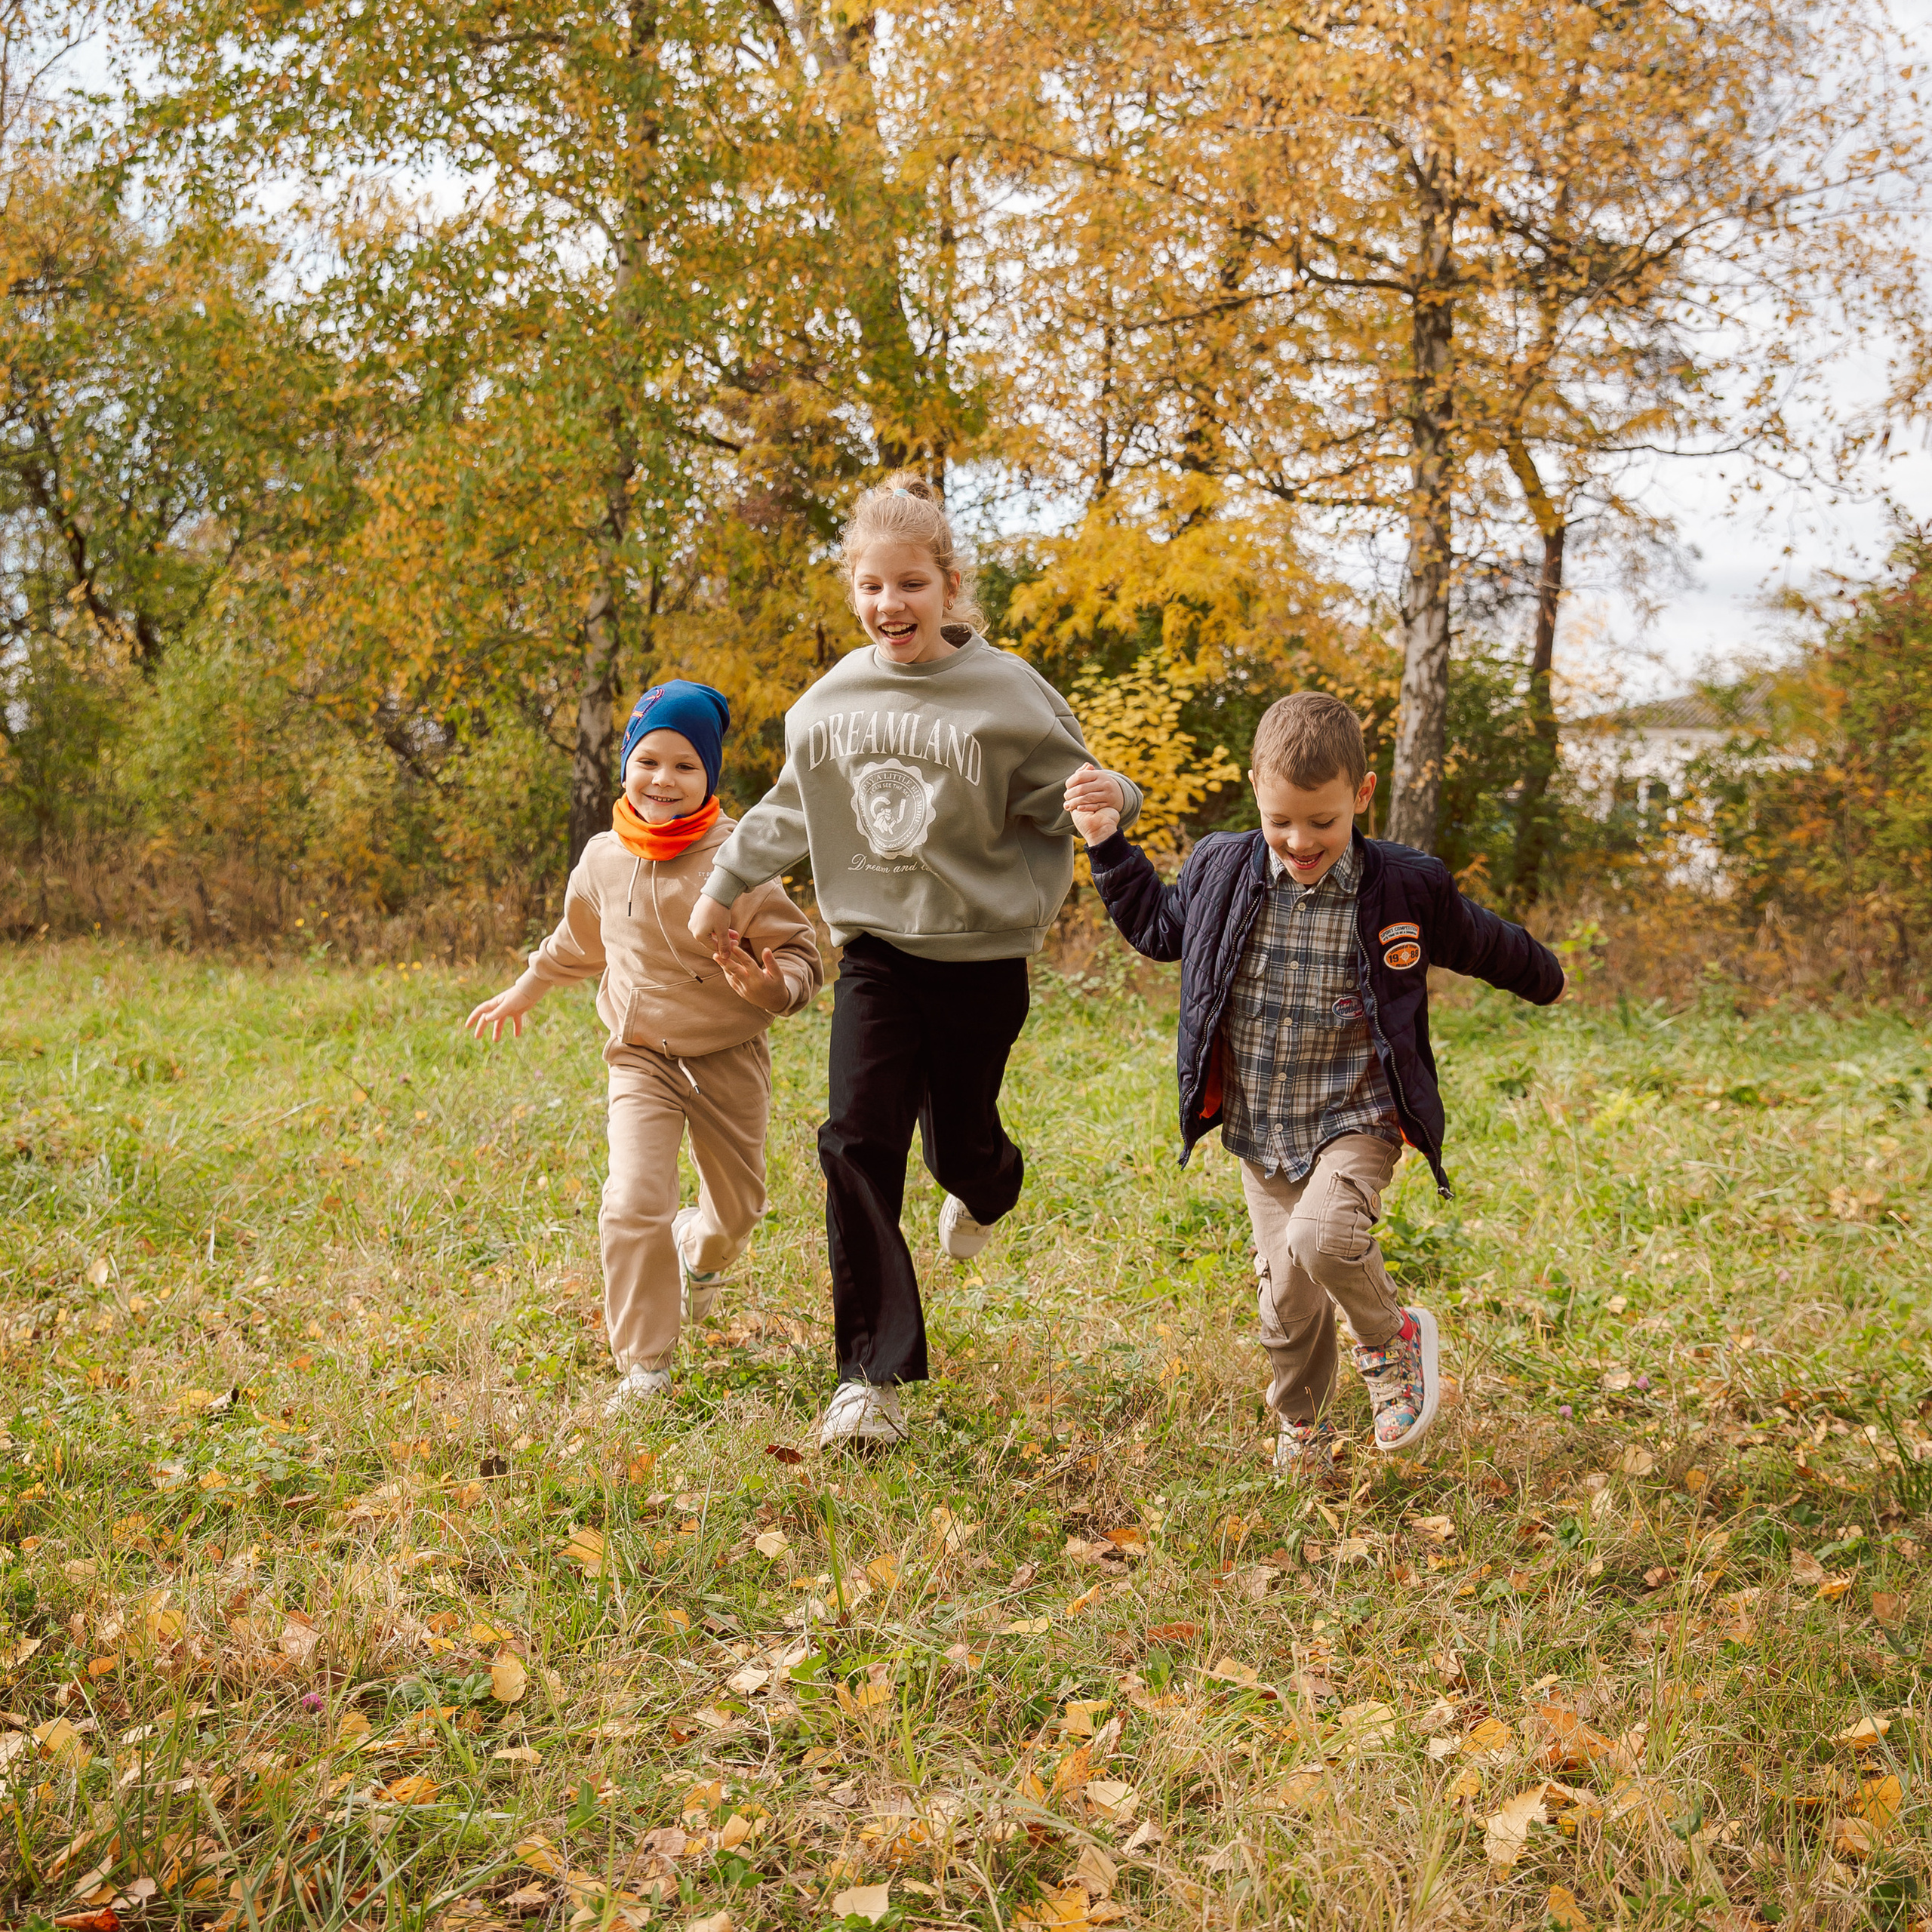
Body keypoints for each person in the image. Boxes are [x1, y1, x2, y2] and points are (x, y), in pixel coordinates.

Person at [686, 472, 1142, 1451]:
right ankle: (870, 1378)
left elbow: (1088, 787)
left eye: (911, 585)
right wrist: (721, 889)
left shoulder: (1009, 694)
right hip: (880, 954)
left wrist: (1113, 806)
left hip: (981, 958)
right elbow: (791, 812)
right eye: (872, 586)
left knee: (961, 1146)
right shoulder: (829, 705)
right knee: (854, 1138)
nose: (891, 605)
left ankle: (985, 1183)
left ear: (948, 588)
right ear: (854, 591)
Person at [1066, 691, 1563, 1480]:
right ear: (1256, 788)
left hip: (1355, 1113)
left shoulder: (1403, 885)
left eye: (1323, 823)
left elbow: (1477, 939)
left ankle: (1390, 1340)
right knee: (1286, 1306)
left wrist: (1545, 976)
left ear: (1361, 797)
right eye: (1282, 821)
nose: (1301, 841)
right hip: (1263, 1123)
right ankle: (1302, 1429)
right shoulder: (1220, 867)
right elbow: (1160, 930)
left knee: (1322, 1237)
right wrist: (1105, 844)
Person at [466, 680, 823, 1414]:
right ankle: (646, 1368)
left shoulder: (740, 858)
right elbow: (577, 941)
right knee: (631, 1201)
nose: (663, 779)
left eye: (685, 766)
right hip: (641, 1057)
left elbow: (800, 954)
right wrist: (525, 989)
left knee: (736, 1214)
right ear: (625, 764)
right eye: (649, 760)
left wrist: (770, 987)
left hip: (727, 1057)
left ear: (710, 777)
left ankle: (700, 1248)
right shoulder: (603, 858)